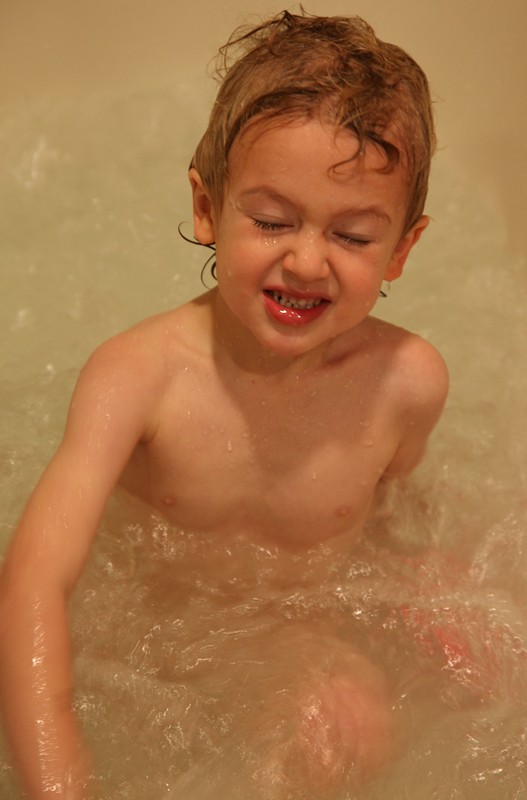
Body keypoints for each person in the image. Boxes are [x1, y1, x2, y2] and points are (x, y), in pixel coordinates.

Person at [0, 9, 448, 799]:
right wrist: (61, 780)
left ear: (401, 249)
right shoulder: (137, 377)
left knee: (350, 725)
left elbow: (393, 515)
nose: (305, 260)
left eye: (351, 236)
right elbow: (33, 580)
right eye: (271, 220)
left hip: (283, 640)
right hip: (134, 649)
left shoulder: (404, 385)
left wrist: (436, 589)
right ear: (208, 209)